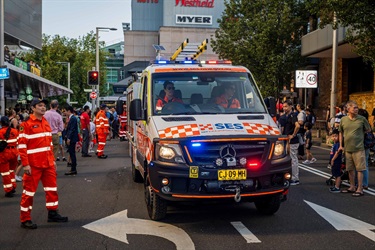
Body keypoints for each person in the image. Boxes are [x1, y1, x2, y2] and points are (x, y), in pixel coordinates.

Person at [19, 98, 68, 229]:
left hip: (47, 164)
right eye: (40, 105)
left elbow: (49, 144)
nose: (43, 107)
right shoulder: (27, 124)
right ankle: (25, 218)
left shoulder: (45, 122)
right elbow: (22, 146)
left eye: (44, 105)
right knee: (28, 193)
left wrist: (52, 160)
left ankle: (52, 213)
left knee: (52, 190)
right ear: (33, 108)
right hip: (33, 165)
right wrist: (25, 164)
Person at [338, 100, 371, 197]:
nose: (356, 109)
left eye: (357, 108)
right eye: (354, 108)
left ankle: (360, 188)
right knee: (350, 169)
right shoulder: (343, 120)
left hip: (359, 148)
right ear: (348, 109)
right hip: (348, 148)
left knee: (360, 169)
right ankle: (352, 186)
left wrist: (359, 136)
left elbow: (368, 130)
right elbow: (341, 132)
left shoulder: (362, 119)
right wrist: (341, 145)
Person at [279, 100, 300, 185]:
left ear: (291, 106)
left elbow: (298, 125)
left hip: (292, 141)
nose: (284, 108)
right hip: (287, 140)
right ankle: (290, 176)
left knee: (293, 159)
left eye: (286, 106)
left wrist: (293, 135)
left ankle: (295, 178)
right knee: (287, 159)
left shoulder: (293, 115)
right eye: (283, 106)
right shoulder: (285, 116)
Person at [0, 116, 19, 197]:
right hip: (14, 152)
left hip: (5, 153)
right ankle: (13, 186)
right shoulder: (15, 131)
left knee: (5, 173)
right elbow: (18, 142)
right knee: (11, 171)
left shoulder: (0, 132)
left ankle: (9, 190)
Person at [64, 106, 79, 175]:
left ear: (69, 111)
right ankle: (73, 168)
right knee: (71, 153)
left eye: (65, 111)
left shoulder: (73, 118)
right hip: (72, 138)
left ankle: (73, 169)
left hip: (72, 138)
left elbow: (72, 129)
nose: (64, 113)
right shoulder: (71, 118)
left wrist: (69, 138)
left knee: (72, 153)